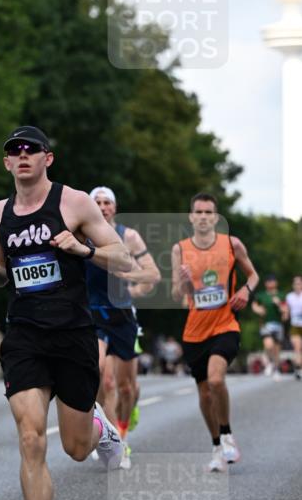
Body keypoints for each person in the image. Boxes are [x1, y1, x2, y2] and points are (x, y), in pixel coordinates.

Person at [0, 125, 130, 500]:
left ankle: (101, 428)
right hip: (24, 336)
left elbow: (120, 257)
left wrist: (81, 249)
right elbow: (4, 275)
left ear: (47, 159)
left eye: (30, 150)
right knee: (31, 436)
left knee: (76, 448)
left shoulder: (74, 203)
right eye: (13, 151)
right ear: (6, 163)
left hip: (72, 334)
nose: (21, 156)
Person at [171, 192, 258, 473]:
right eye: (199, 212)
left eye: (209, 212)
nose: (204, 217)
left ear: (216, 217)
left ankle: (228, 434)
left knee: (216, 380)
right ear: (191, 217)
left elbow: (253, 275)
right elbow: (176, 295)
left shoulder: (232, 244)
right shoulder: (180, 249)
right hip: (195, 331)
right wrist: (183, 283)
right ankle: (217, 445)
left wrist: (246, 289)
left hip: (225, 325)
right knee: (205, 394)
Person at [85, 186, 161, 469]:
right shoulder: (83, 234)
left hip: (122, 317)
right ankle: (112, 438)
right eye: (97, 202)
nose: (103, 206)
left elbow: (153, 274)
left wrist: (129, 279)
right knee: (102, 377)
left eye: (107, 202)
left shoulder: (128, 235)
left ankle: (124, 432)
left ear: (114, 208)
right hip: (93, 315)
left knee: (127, 388)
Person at [252, 274, 286, 378]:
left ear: (276, 283)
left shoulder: (281, 295)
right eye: (268, 281)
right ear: (265, 283)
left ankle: (276, 369)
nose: (270, 283)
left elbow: (285, 310)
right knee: (268, 345)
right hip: (265, 324)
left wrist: (278, 304)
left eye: (272, 281)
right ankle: (270, 364)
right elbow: (254, 305)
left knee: (277, 350)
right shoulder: (261, 295)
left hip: (278, 325)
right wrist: (259, 310)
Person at [284, 274, 302, 380]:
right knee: (297, 347)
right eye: (295, 284)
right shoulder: (289, 296)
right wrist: (285, 314)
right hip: (295, 325)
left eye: (299, 283)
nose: (297, 285)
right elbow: (287, 309)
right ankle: (298, 369)